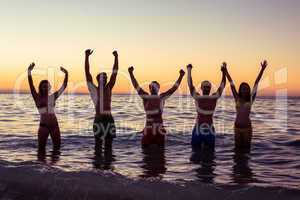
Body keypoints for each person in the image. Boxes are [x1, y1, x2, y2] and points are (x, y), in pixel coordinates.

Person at [128, 66, 185, 147]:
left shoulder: (162, 97)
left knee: (160, 155)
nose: (154, 88)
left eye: (156, 87)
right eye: (152, 86)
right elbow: (136, 86)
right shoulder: (146, 97)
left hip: (159, 130)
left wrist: (181, 76)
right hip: (149, 130)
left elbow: (173, 88)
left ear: (158, 88)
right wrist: (131, 73)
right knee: (146, 155)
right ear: (149, 88)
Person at [223, 60, 268, 151]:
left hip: (247, 128)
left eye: (246, 88)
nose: (244, 90)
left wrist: (262, 70)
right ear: (240, 90)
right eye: (243, 88)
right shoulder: (237, 98)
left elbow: (256, 82)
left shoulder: (250, 99)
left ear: (248, 90)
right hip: (237, 128)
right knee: (237, 150)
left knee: (246, 150)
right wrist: (226, 71)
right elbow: (231, 84)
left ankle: (246, 165)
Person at [28, 62, 68, 154]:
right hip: (43, 126)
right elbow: (31, 85)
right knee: (41, 151)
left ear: (49, 88)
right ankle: (41, 169)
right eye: (43, 87)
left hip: (55, 125)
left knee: (57, 150)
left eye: (47, 86)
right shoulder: (36, 97)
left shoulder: (53, 97)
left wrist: (66, 73)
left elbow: (64, 86)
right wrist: (29, 71)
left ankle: (53, 169)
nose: (45, 88)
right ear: (40, 88)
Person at [84, 49, 119, 154]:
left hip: (109, 118)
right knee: (98, 145)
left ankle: (108, 169)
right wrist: (87, 56)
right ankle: (97, 169)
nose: (105, 78)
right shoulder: (93, 89)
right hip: (99, 119)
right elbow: (87, 72)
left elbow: (115, 72)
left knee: (109, 146)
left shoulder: (109, 87)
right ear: (98, 79)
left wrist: (116, 57)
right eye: (102, 77)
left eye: (106, 77)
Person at [187, 63, 227, 150]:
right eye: (205, 87)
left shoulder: (213, 97)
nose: (207, 88)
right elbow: (190, 85)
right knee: (195, 153)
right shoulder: (198, 97)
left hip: (209, 128)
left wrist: (224, 72)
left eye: (208, 87)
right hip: (198, 128)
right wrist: (189, 70)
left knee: (210, 153)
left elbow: (222, 86)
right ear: (201, 88)